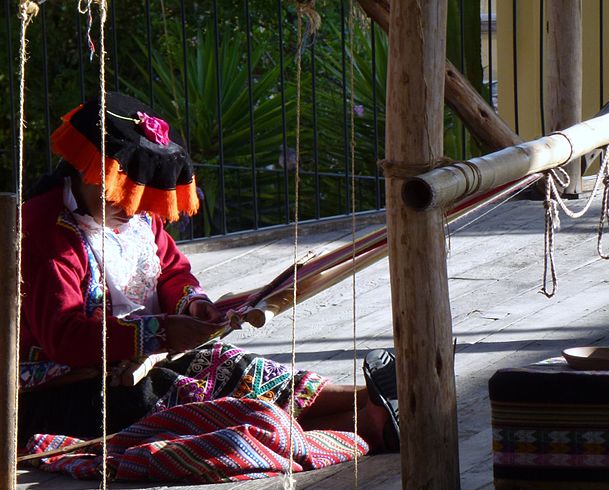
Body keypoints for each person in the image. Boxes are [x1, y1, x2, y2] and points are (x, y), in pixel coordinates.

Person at [18, 92, 399, 456]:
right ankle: (375, 421)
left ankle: (377, 400)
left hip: (138, 359)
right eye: (123, 195)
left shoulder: (133, 217)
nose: (134, 210)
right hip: (65, 392)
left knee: (230, 366)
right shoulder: (44, 228)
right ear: (91, 168)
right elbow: (65, 337)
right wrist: (161, 332)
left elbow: (171, 272)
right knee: (190, 399)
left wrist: (192, 304)